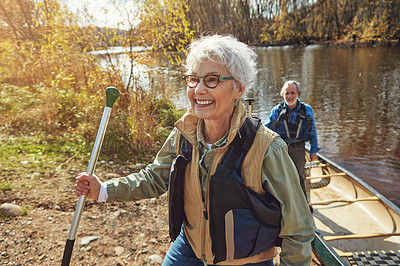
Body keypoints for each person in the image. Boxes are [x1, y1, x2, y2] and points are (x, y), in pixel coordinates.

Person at [75, 35, 315, 266]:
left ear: (239, 89)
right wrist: (104, 190)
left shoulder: (267, 148)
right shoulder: (184, 133)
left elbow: (298, 230)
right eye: (193, 79)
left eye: (212, 79)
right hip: (190, 246)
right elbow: (154, 177)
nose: (198, 90)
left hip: (244, 260)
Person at [265, 81, 319, 199]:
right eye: (286, 93)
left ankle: (303, 205)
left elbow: (313, 132)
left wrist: (313, 151)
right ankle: (284, 203)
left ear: (298, 94)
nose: (289, 96)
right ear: (283, 95)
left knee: (300, 177)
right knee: (281, 177)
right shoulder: (276, 111)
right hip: (281, 148)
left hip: (299, 148)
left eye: (292, 93)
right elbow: (265, 131)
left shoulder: (307, 110)